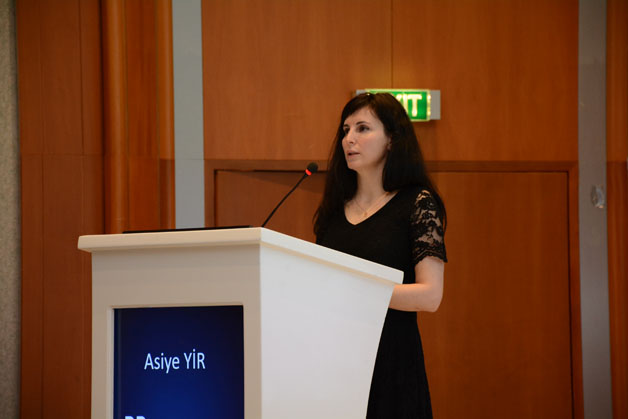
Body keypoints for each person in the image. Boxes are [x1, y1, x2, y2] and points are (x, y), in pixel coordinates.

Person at [314, 92, 447, 418]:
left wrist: (357, 292)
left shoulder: (418, 203)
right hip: (334, 359)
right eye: (345, 130)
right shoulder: (333, 211)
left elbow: (430, 295)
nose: (349, 139)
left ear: (391, 140)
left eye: (363, 128)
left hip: (392, 360)